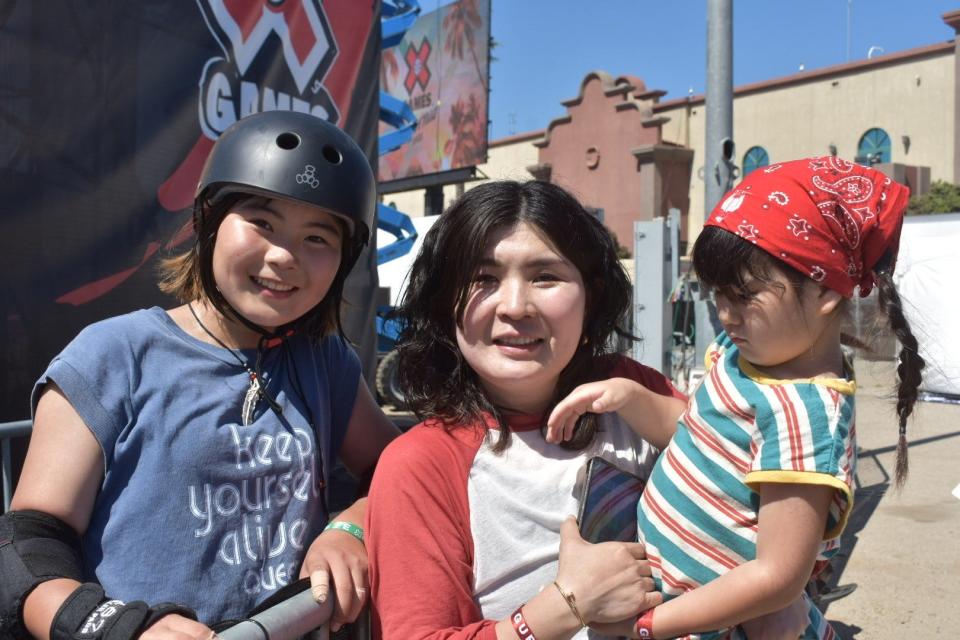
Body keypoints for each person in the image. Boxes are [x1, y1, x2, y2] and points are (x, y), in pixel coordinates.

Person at [1, 111, 400, 640]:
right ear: (210, 222)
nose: (284, 256)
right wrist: (121, 628)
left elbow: (396, 470)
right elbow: (28, 548)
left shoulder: (324, 360)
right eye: (261, 222)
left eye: (318, 238)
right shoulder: (113, 353)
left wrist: (352, 525)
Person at [365, 180, 807, 640]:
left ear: (590, 297)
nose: (515, 306)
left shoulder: (635, 394)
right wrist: (563, 606)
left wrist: (783, 594)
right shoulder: (420, 465)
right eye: (483, 279)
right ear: (444, 303)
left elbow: (755, 498)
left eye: (545, 276)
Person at [547, 156, 924, 639]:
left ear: (825, 290)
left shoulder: (805, 417)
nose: (725, 315)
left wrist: (649, 625)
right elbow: (693, 431)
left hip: (707, 624)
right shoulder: (743, 353)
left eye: (744, 296)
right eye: (718, 295)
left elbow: (777, 578)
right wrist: (629, 396)